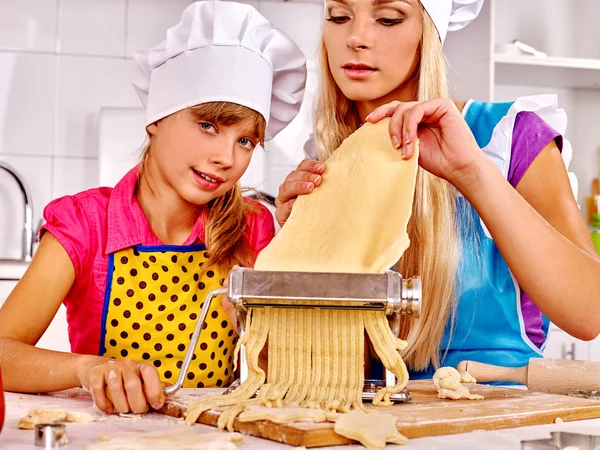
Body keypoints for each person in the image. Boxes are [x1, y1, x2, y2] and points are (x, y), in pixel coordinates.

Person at [0, 1, 306, 414]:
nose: (226, 157)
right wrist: (90, 369)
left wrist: (263, 322)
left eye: (246, 141)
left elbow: (288, 374)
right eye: (208, 125)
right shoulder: (84, 224)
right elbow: (3, 352)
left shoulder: (253, 229)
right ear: (156, 119)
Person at [274, 0, 600, 378]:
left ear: (428, 33)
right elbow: (334, 359)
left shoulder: (509, 137)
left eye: (388, 18)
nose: (356, 38)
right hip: (377, 415)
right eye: (339, 17)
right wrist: (302, 255)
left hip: (497, 416)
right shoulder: (325, 163)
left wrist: (472, 173)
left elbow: (589, 313)